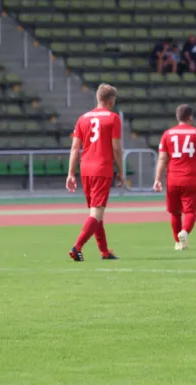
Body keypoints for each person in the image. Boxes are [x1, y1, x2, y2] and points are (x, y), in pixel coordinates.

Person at [67, 83, 123, 261]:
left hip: (85, 168)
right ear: (111, 100)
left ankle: (105, 252)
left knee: (95, 212)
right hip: (102, 167)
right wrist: (121, 171)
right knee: (97, 212)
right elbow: (116, 148)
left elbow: (75, 147)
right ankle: (77, 247)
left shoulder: (83, 118)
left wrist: (70, 173)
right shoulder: (113, 118)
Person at [153, 104, 196, 250]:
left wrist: (157, 179)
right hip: (190, 178)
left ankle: (178, 242)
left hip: (172, 178)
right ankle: (184, 232)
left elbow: (162, 158)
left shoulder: (168, 134)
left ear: (177, 117)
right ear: (190, 116)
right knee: (191, 211)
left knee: (174, 212)